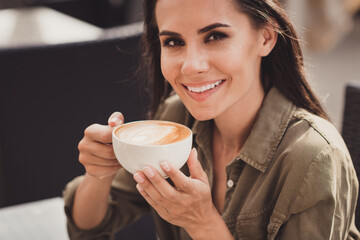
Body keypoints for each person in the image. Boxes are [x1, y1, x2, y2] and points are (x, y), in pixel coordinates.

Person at [63, 0, 360, 239]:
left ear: (266, 38)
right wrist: (98, 175)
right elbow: (87, 228)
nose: (191, 66)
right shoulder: (175, 117)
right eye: (174, 42)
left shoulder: (313, 158)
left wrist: (203, 224)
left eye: (215, 36)